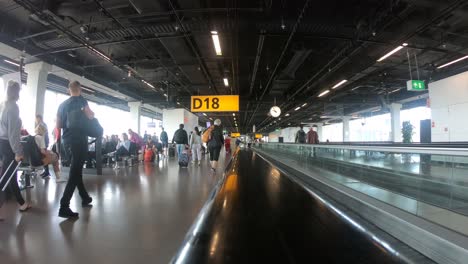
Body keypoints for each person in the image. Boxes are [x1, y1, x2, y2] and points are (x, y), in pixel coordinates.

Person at [56, 80, 93, 218]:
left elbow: (58, 124)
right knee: (75, 172)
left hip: (67, 141)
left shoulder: (62, 105)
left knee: (76, 169)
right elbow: (90, 115)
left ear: (68, 90)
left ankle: (85, 197)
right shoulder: (81, 101)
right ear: (80, 89)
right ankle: (64, 206)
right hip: (79, 140)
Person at [0, 81, 31, 220]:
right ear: (17, 92)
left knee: (11, 176)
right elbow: (13, 134)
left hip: (3, 143)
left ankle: (22, 203)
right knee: (5, 179)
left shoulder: (4, 105)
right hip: (8, 146)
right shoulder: (13, 107)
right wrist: (18, 152)